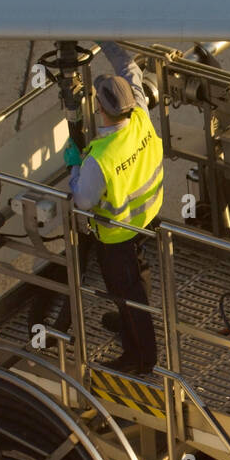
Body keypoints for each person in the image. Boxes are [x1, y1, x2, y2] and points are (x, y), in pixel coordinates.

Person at [66, 42, 162, 374]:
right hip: (146, 219)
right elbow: (130, 69)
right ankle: (129, 323)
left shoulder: (100, 159)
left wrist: (74, 168)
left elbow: (83, 200)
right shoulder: (140, 116)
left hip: (117, 235)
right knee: (139, 278)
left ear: (102, 110)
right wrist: (109, 41)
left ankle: (141, 359)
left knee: (126, 293)